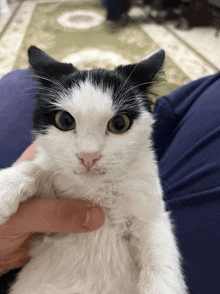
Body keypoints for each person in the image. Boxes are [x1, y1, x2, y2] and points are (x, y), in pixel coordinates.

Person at [0, 69, 220, 293]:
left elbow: (151, 226)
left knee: (16, 82)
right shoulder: (46, 167)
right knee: (19, 82)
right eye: (66, 122)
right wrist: (25, 176)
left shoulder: (140, 170)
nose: (89, 153)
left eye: (118, 124)